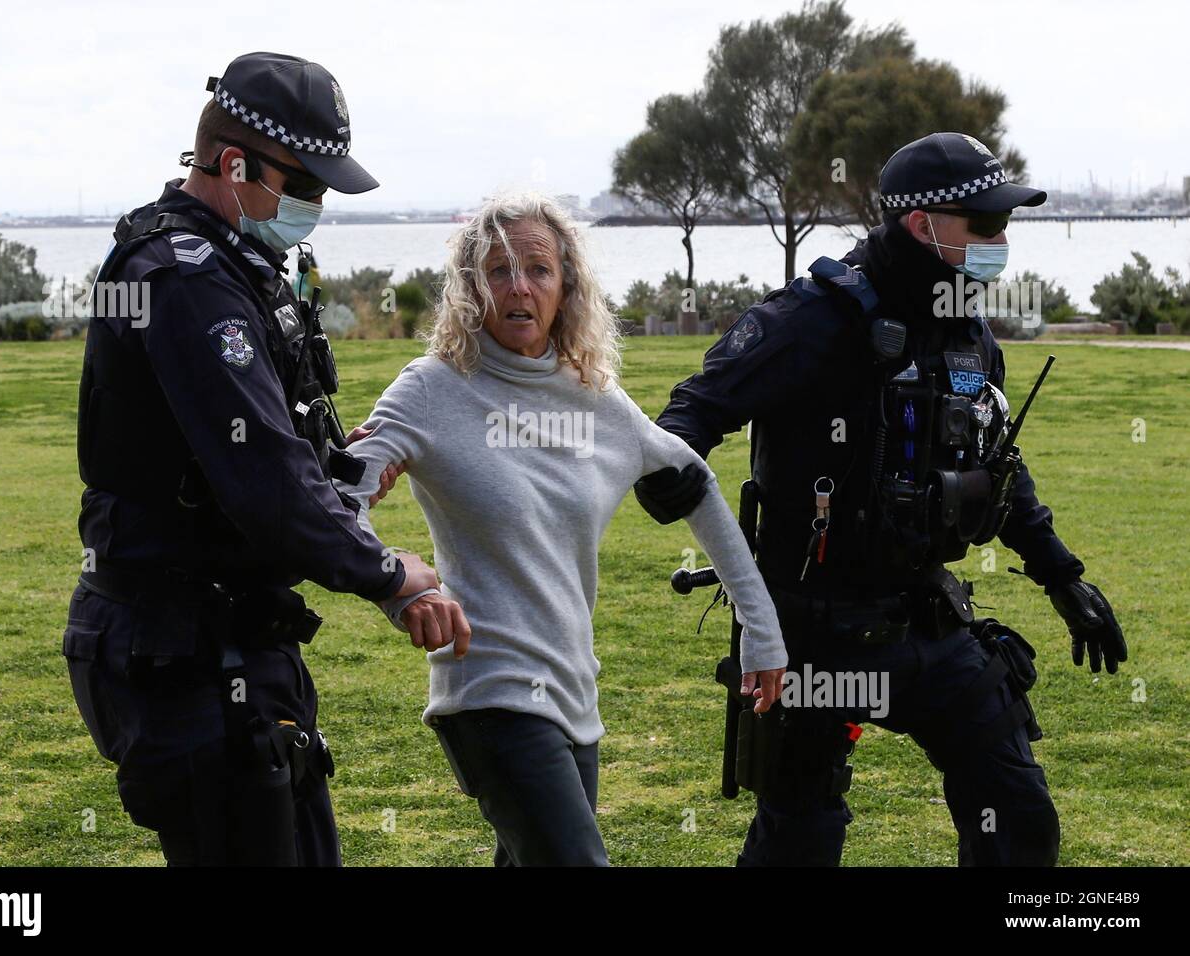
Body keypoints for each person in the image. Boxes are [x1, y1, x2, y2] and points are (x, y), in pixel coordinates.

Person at [636, 132, 1127, 867]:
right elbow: (696, 408)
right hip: (811, 634)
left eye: (1004, 223)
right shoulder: (810, 318)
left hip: (927, 621)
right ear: (922, 227)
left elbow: (1000, 466)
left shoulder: (969, 331)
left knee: (1018, 816)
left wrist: (1063, 576)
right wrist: (669, 464)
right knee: (800, 834)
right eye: (985, 224)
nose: (1000, 240)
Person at [63, 52, 468, 867]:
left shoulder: (229, 263)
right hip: (183, 653)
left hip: (229, 644)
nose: (313, 207)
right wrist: (389, 573)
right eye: (306, 186)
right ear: (236, 164)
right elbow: (262, 485)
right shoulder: (184, 279)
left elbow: (276, 449)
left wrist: (343, 474)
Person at [338, 193, 787, 866]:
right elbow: (339, 500)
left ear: (566, 286)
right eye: (498, 269)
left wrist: (762, 631)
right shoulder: (431, 389)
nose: (519, 285)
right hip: (486, 689)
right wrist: (399, 588)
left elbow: (696, 487)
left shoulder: (596, 400)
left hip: (575, 693)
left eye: (538, 270)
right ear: (471, 288)